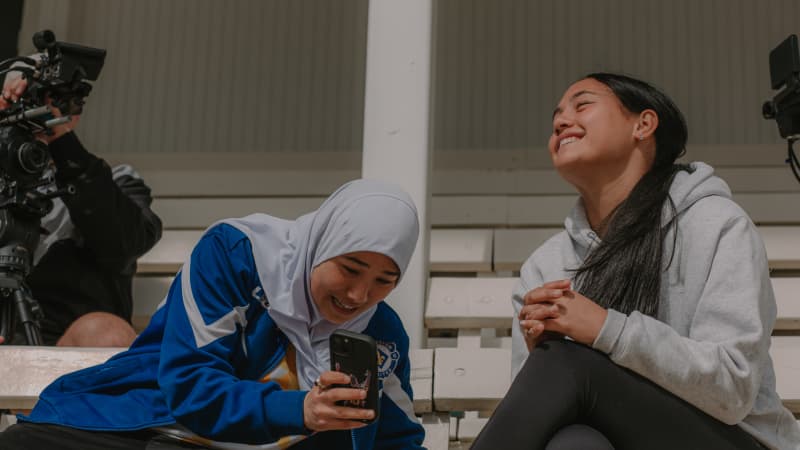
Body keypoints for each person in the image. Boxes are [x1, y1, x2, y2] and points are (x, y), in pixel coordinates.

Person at [471, 73, 800, 450]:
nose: (561, 122)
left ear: (643, 124)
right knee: (574, 443)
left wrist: (605, 329)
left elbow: (733, 389)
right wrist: (540, 351)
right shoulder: (544, 265)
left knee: (564, 361)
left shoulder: (716, 225)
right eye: (556, 117)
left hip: (732, 441)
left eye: (582, 105)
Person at [0, 179, 425, 449]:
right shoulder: (238, 255)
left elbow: (397, 439)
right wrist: (302, 411)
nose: (359, 294)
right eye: (350, 268)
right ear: (322, 243)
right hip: (158, 427)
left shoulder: (380, 332)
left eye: (384, 281)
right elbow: (191, 387)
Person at [0, 72, 162, 347]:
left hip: (70, 345)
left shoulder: (114, 181)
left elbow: (125, 244)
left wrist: (62, 144)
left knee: (105, 332)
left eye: (50, 104)